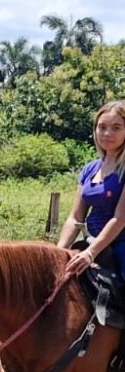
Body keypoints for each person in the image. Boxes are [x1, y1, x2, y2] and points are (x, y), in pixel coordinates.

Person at [59, 100, 125, 277]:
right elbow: (75, 217)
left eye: (116, 127)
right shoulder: (90, 169)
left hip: (120, 243)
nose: (107, 133)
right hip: (91, 239)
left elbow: (120, 219)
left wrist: (91, 253)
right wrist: (59, 251)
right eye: (102, 127)